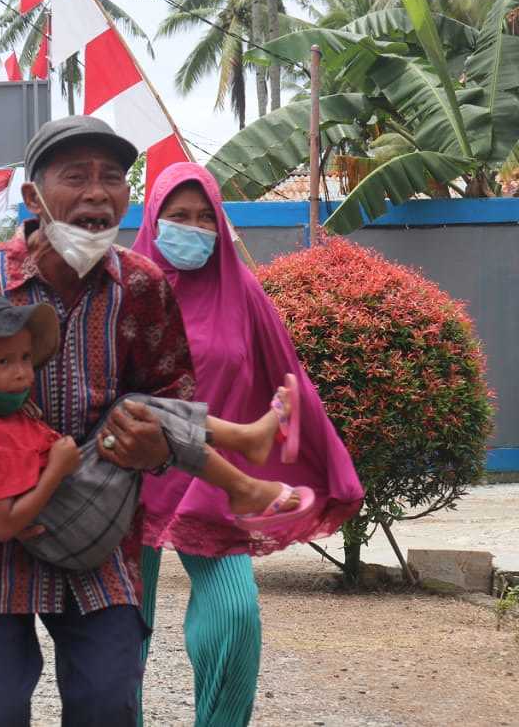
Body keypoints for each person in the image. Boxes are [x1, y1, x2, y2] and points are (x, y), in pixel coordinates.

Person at [0, 115, 196, 725]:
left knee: (108, 703)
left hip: (96, 526)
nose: (97, 193)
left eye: (113, 178)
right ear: (32, 197)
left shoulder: (143, 287)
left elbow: (175, 392)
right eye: (76, 176)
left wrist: (155, 446)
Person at [132, 162, 365, 726]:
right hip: (127, 485)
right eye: (177, 216)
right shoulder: (128, 291)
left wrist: (331, 469)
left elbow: (289, 382)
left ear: (220, 225)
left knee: (236, 620)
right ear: (153, 219)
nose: (191, 228)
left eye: (203, 218)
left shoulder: (243, 295)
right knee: (115, 643)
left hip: (216, 488)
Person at [0, 286, 312, 575]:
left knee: (133, 412)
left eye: (25, 358)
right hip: (61, 526)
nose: (23, 374)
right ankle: (245, 475)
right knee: (133, 411)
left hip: (65, 507)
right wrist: (56, 469)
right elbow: (4, 527)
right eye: (3, 363)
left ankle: (246, 448)